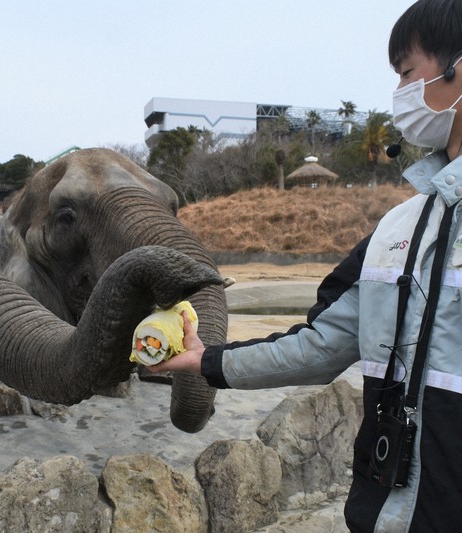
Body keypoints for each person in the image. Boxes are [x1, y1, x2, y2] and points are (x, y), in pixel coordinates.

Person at [149, 1, 462, 531]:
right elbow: (319, 347)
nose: (401, 92)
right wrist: (208, 362)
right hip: (383, 513)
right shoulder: (397, 230)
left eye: (408, 72)